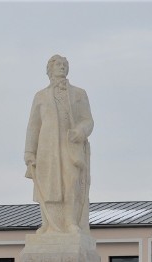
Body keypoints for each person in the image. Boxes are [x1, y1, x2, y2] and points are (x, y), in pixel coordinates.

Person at [24, 55, 94, 234]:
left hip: (70, 146)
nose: (62, 67)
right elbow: (33, 125)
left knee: (71, 182)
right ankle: (48, 223)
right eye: (58, 65)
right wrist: (29, 151)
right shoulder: (40, 96)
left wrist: (81, 131)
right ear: (50, 70)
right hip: (47, 148)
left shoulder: (79, 93)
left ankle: (70, 222)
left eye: (64, 64)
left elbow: (88, 120)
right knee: (48, 185)